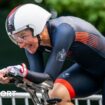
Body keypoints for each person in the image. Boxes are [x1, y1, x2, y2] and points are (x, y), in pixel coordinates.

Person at [0, 3, 105, 105]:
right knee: (56, 95)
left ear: (37, 27)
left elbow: (48, 78)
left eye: (23, 36)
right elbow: (39, 82)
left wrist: (21, 71)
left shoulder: (64, 30)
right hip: (89, 71)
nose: (21, 45)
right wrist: (12, 76)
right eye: (16, 39)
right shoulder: (33, 42)